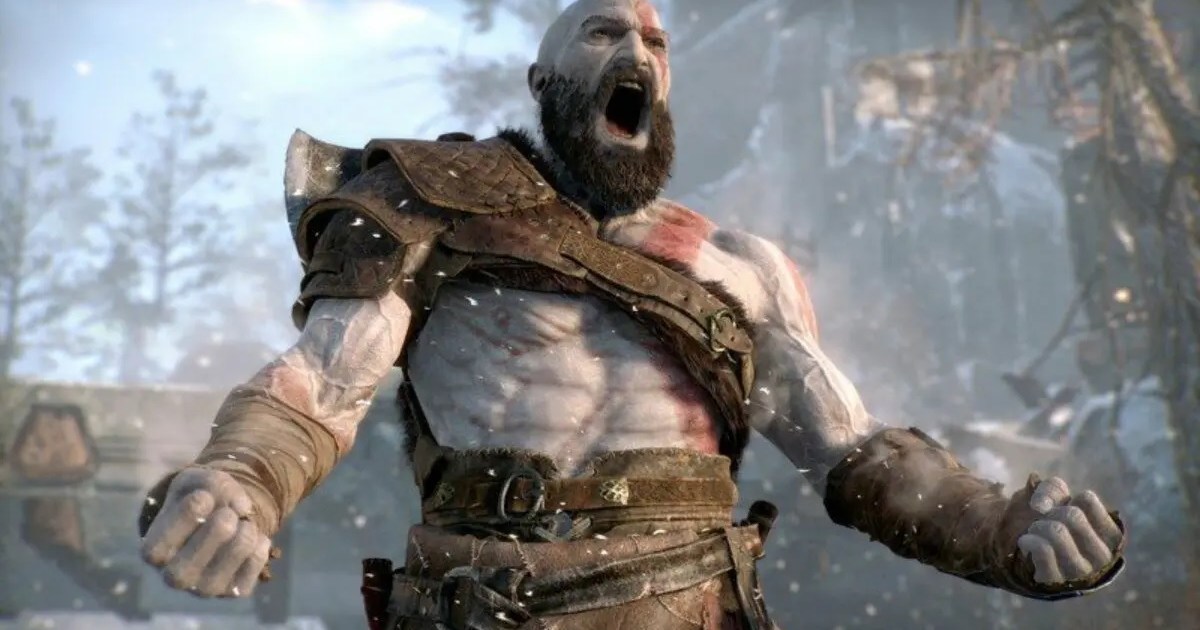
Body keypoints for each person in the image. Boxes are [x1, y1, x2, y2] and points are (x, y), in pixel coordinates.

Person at [137, 1, 1126, 627]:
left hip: (693, 610)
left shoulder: (740, 269)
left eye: (654, 40)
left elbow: (853, 455)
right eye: (603, 32)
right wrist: (240, 479)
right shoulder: (427, 209)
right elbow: (321, 386)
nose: (636, 50)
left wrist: (998, 527)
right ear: (543, 82)